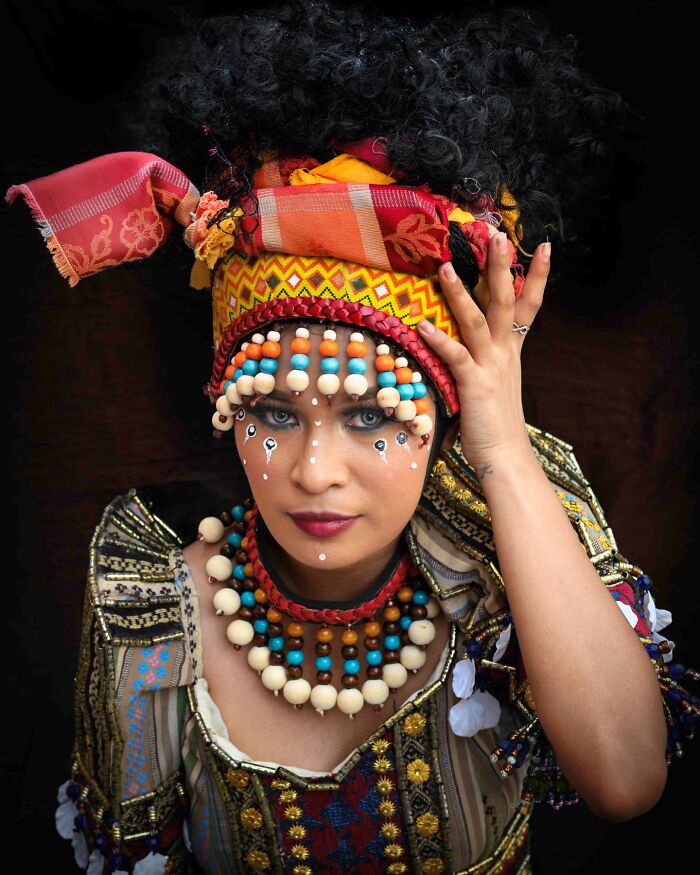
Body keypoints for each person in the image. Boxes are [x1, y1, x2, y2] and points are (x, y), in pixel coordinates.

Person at [6, 3, 698, 872]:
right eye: (273, 413)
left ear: (445, 415)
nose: (314, 471)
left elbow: (626, 779)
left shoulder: (508, 551)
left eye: (370, 415)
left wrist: (505, 449)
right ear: (228, 404)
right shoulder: (156, 608)